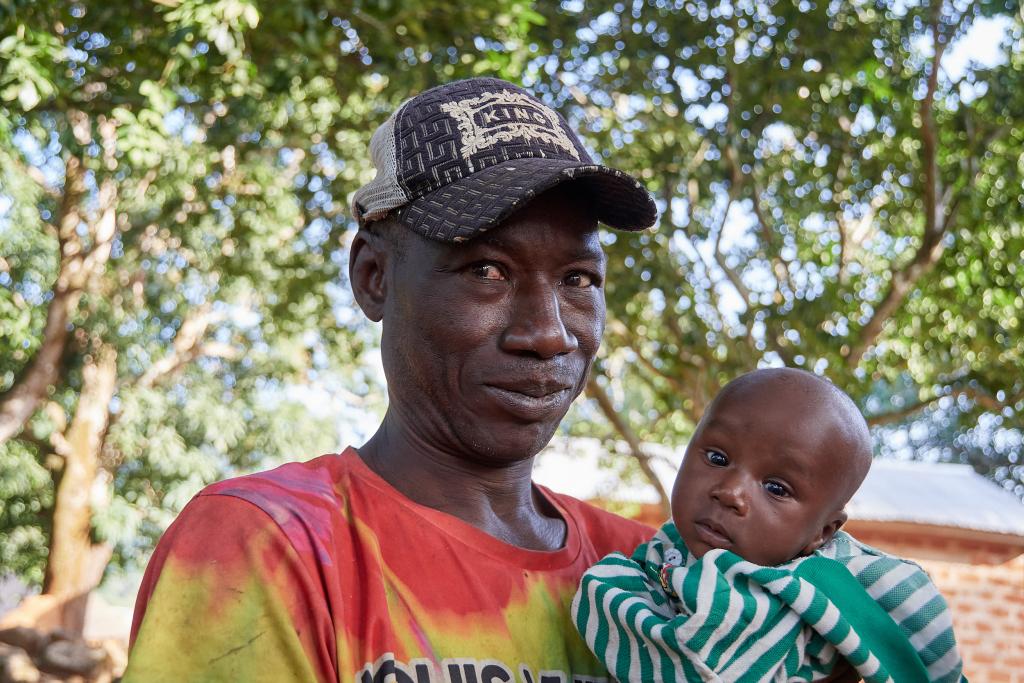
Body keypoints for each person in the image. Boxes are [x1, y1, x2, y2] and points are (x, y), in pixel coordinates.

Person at [124, 77, 661, 682]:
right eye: (487, 269)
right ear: (373, 276)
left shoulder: (653, 576)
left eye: (579, 279)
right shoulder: (267, 546)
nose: (548, 333)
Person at [572, 368, 966, 683]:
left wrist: (606, 584)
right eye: (717, 457)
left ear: (823, 532)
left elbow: (696, 666)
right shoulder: (664, 551)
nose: (730, 492)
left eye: (777, 488)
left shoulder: (842, 585)